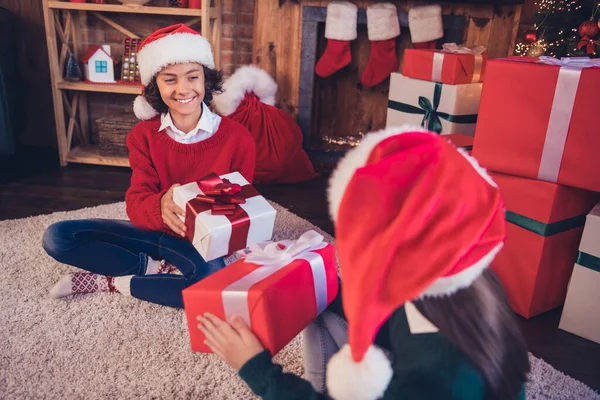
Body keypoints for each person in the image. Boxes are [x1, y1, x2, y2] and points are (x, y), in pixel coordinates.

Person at [197, 126, 530, 399]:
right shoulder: (461, 280)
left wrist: (254, 366)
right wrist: (322, 286)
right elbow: (392, 322)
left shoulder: (441, 375)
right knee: (324, 304)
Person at [42, 24, 256, 309]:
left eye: (193, 77)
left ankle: (111, 282)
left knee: (211, 287)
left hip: (200, 242)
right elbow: (136, 202)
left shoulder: (237, 138)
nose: (183, 89)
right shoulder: (143, 136)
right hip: (153, 232)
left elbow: (241, 205)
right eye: (170, 80)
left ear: (206, 80)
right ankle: (150, 268)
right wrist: (160, 206)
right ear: (155, 86)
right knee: (57, 237)